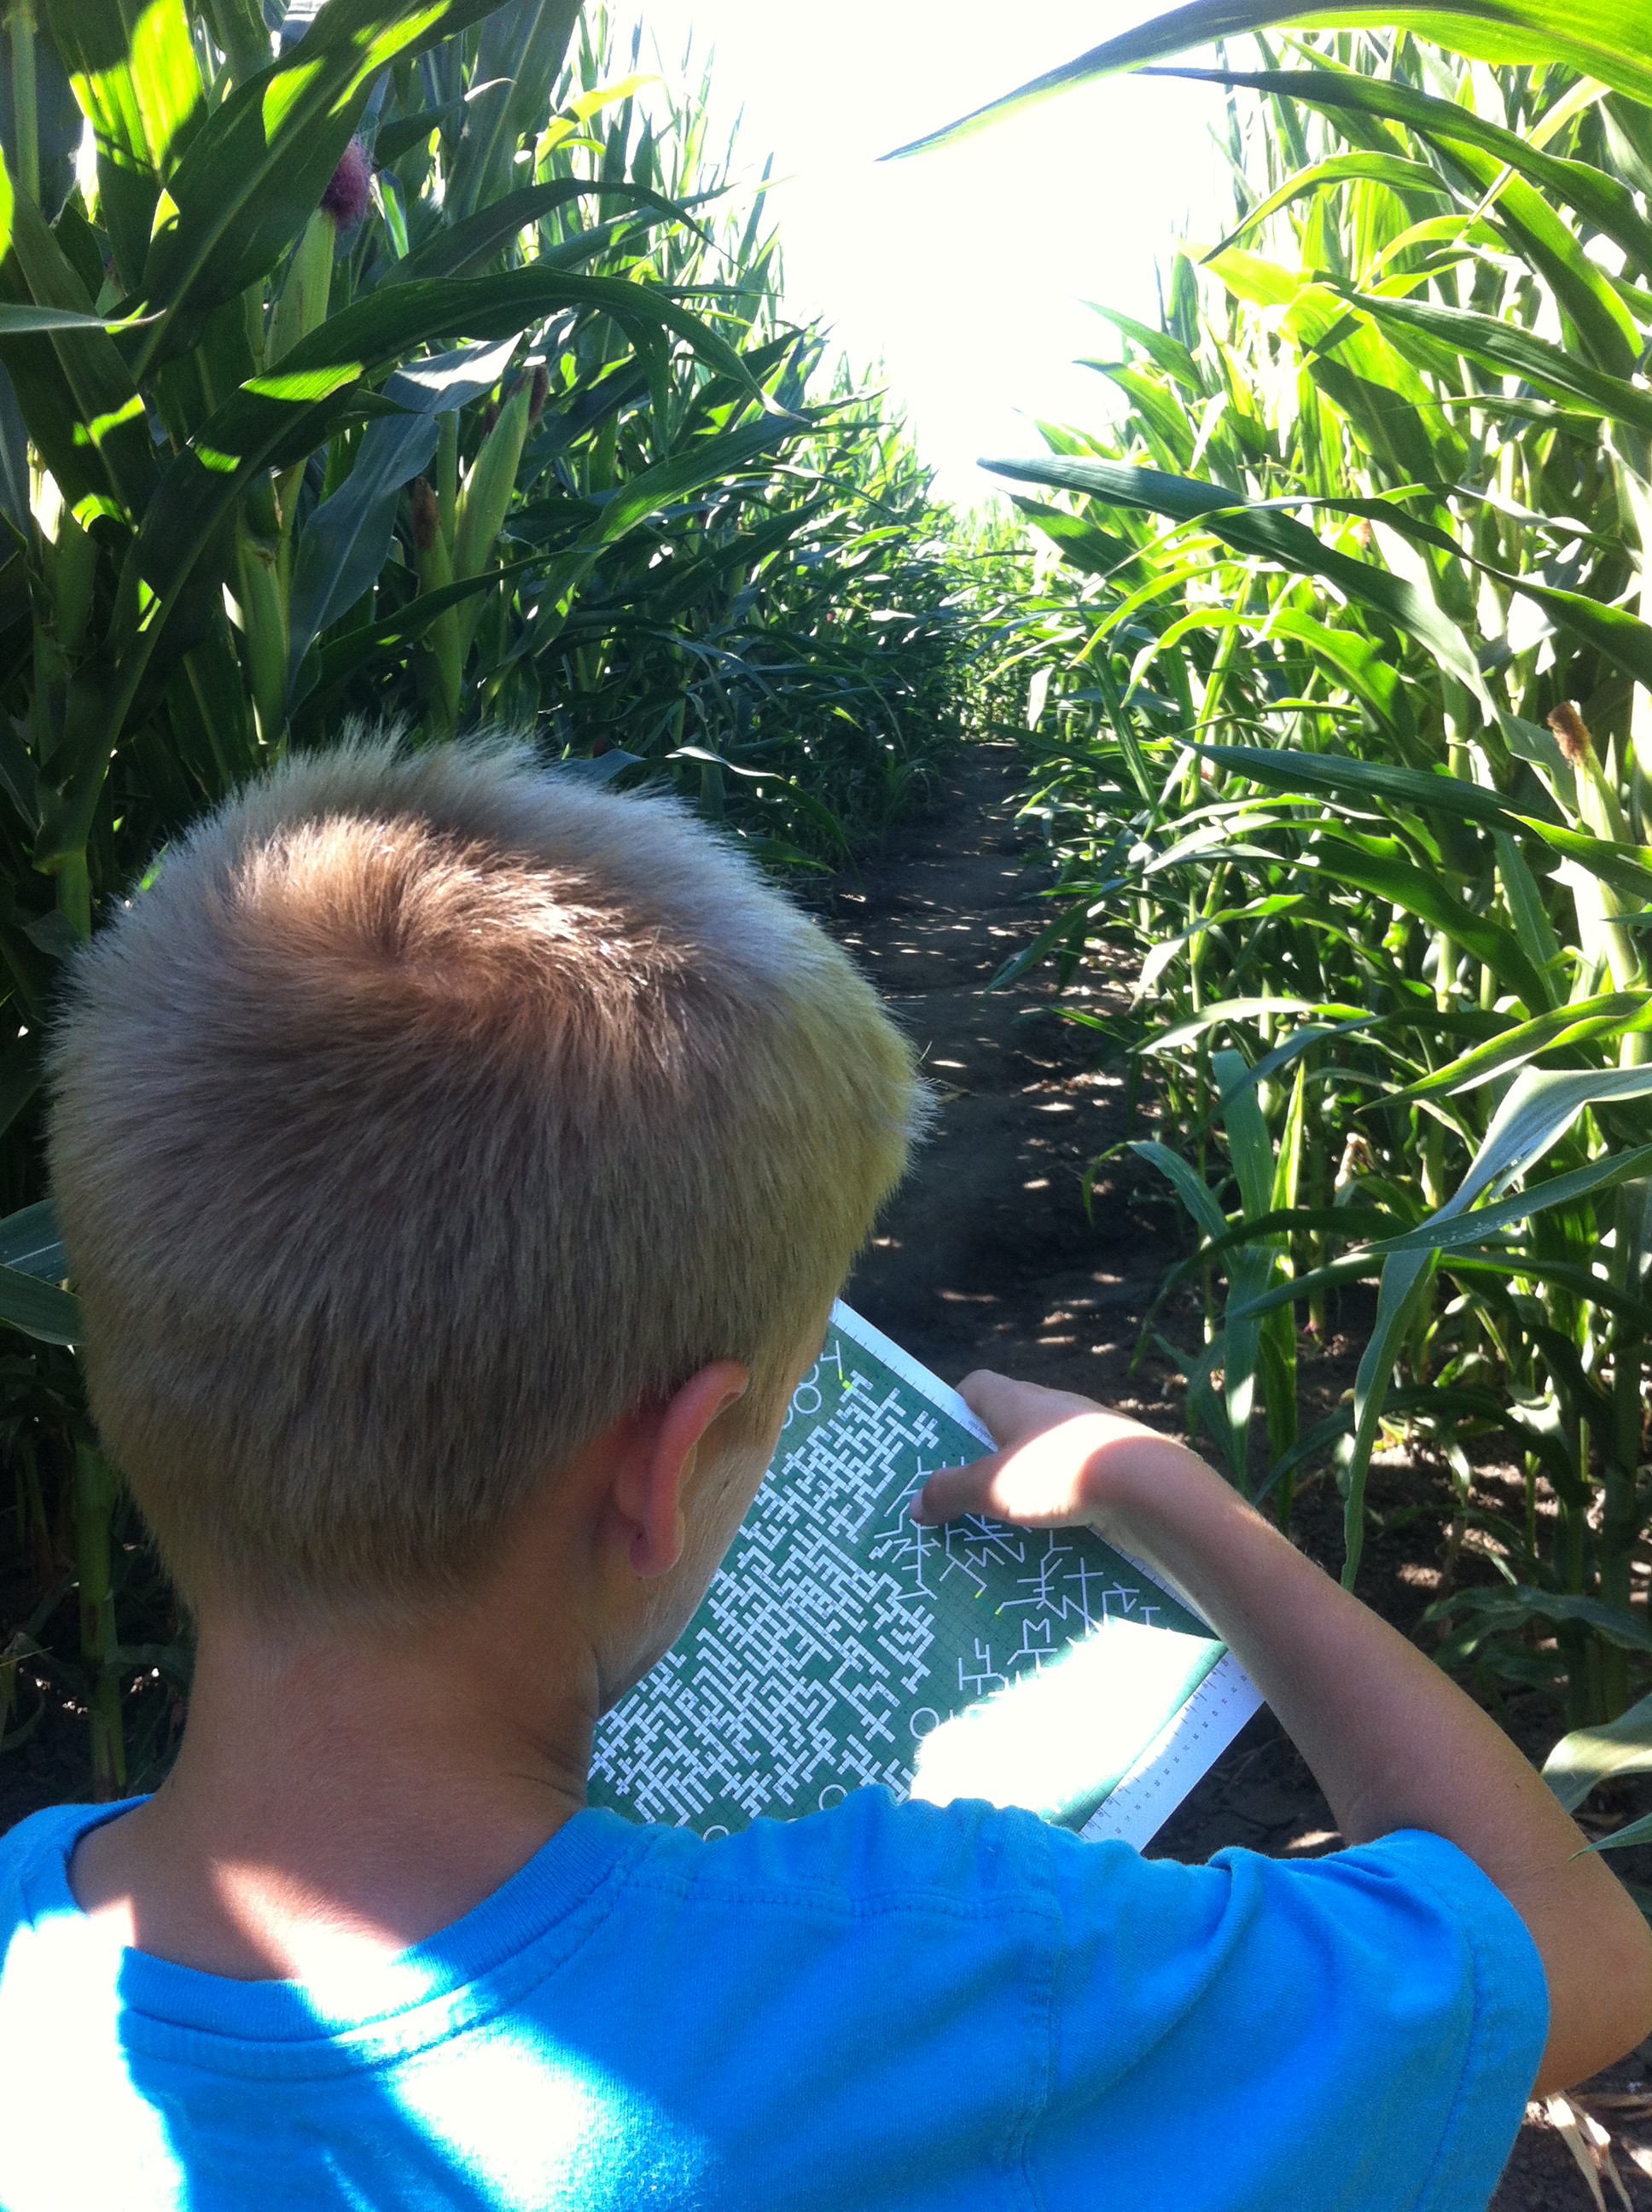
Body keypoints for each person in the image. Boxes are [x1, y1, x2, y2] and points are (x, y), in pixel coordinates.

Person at [0, 736, 1646, 2212]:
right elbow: (1569, 1951)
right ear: (665, 1467)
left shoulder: (24, 1945)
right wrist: (1165, 1491)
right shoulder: (948, 1968)